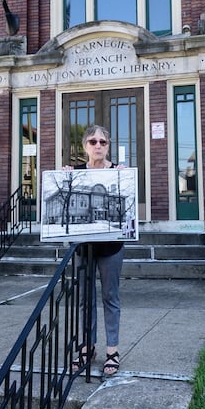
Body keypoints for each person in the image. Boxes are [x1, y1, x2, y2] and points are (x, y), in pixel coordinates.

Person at [75, 124, 124, 378]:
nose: (97, 146)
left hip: (111, 247)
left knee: (110, 297)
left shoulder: (118, 173)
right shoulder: (73, 173)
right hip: (84, 248)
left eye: (102, 142)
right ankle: (86, 348)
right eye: (92, 142)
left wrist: (127, 180)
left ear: (108, 146)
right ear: (85, 146)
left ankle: (112, 351)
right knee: (85, 300)